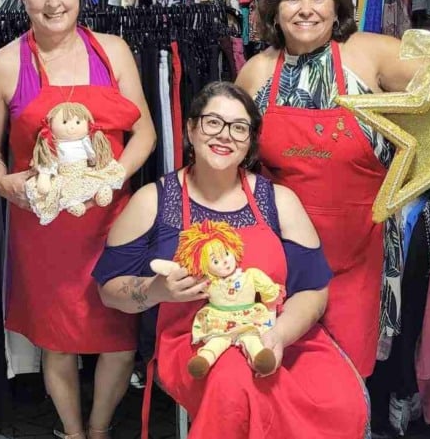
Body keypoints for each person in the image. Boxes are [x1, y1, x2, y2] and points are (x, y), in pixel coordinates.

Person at [236, 0, 430, 378]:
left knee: (345, 377)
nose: (306, 9)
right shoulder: (256, 73)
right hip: (282, 259)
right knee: (281, 375)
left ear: (337, 4)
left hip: (359, 255)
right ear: (274, 10)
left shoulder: (370, 53)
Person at [95, 82, 369, 439]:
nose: (225, 136)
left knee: (341, 400)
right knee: (236, 388)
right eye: (213, 123)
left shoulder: (279, 202)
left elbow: (314, 292)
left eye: (239, 128)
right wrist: (155, 290)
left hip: (278, 331)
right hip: (196, 341)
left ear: (250, 142)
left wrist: (279, 336)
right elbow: (108, 290)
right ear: (191, 129)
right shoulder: (154, 201)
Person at [0, 0, 156, 439]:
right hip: (44, 227)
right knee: (58, 341)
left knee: (119, 336)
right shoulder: (2, 66)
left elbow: (145, 132)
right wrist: (0, 179)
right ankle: (73, 432)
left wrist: (115, 175)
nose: (52, 2)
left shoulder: (113, 50)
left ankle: (98, 430)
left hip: (113, 221)